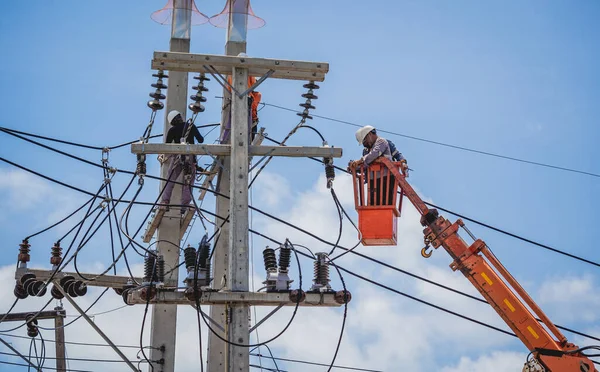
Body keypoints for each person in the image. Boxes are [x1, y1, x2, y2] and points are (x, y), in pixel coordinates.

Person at [349, 125, 407, 206]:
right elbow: (365, 164)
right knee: (373, 205)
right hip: (373, 181)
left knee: (385, 203)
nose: (365, 145)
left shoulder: (382, 142)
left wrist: (403, 164)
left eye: (365, 142)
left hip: (386, 179)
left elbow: (374, 154)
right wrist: (355, 168)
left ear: (369, 135)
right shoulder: (366, 151)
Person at [160, 110, 204, 213]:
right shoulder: (190, 126)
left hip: (178, 157)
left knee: (170, 179)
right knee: (188, 181)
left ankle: (165, 202)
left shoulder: (172, 130)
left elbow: (167, 146)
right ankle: (185, 205)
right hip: (191, 158)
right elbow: (201, 140)